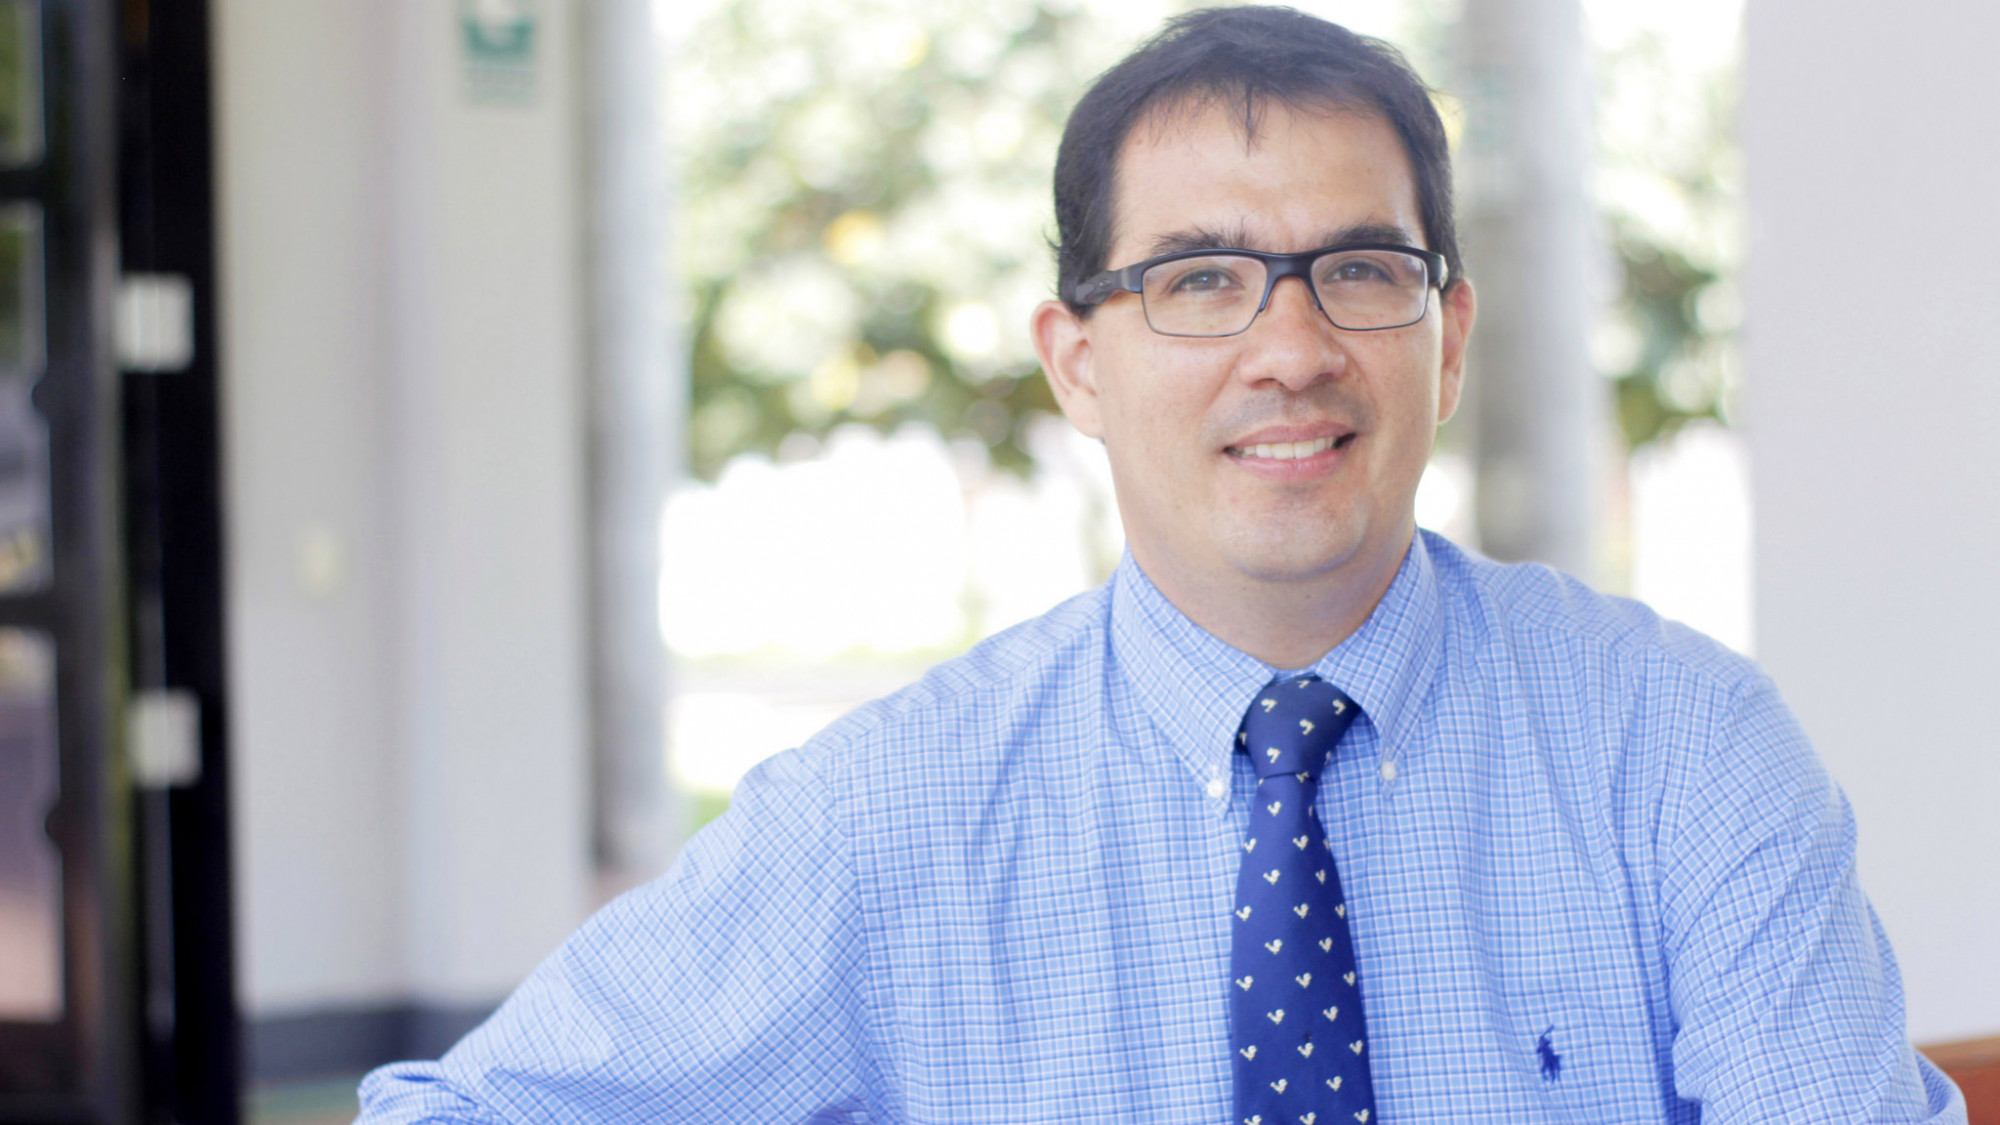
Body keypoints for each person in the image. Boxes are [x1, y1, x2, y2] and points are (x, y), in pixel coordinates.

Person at [357, 7, 1965, 1123]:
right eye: (1200, 279)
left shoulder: (1681, 752)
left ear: (1449, 334)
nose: (1292, 348)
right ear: (1078, 361)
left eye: (1360, 269)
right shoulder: (891, 816)